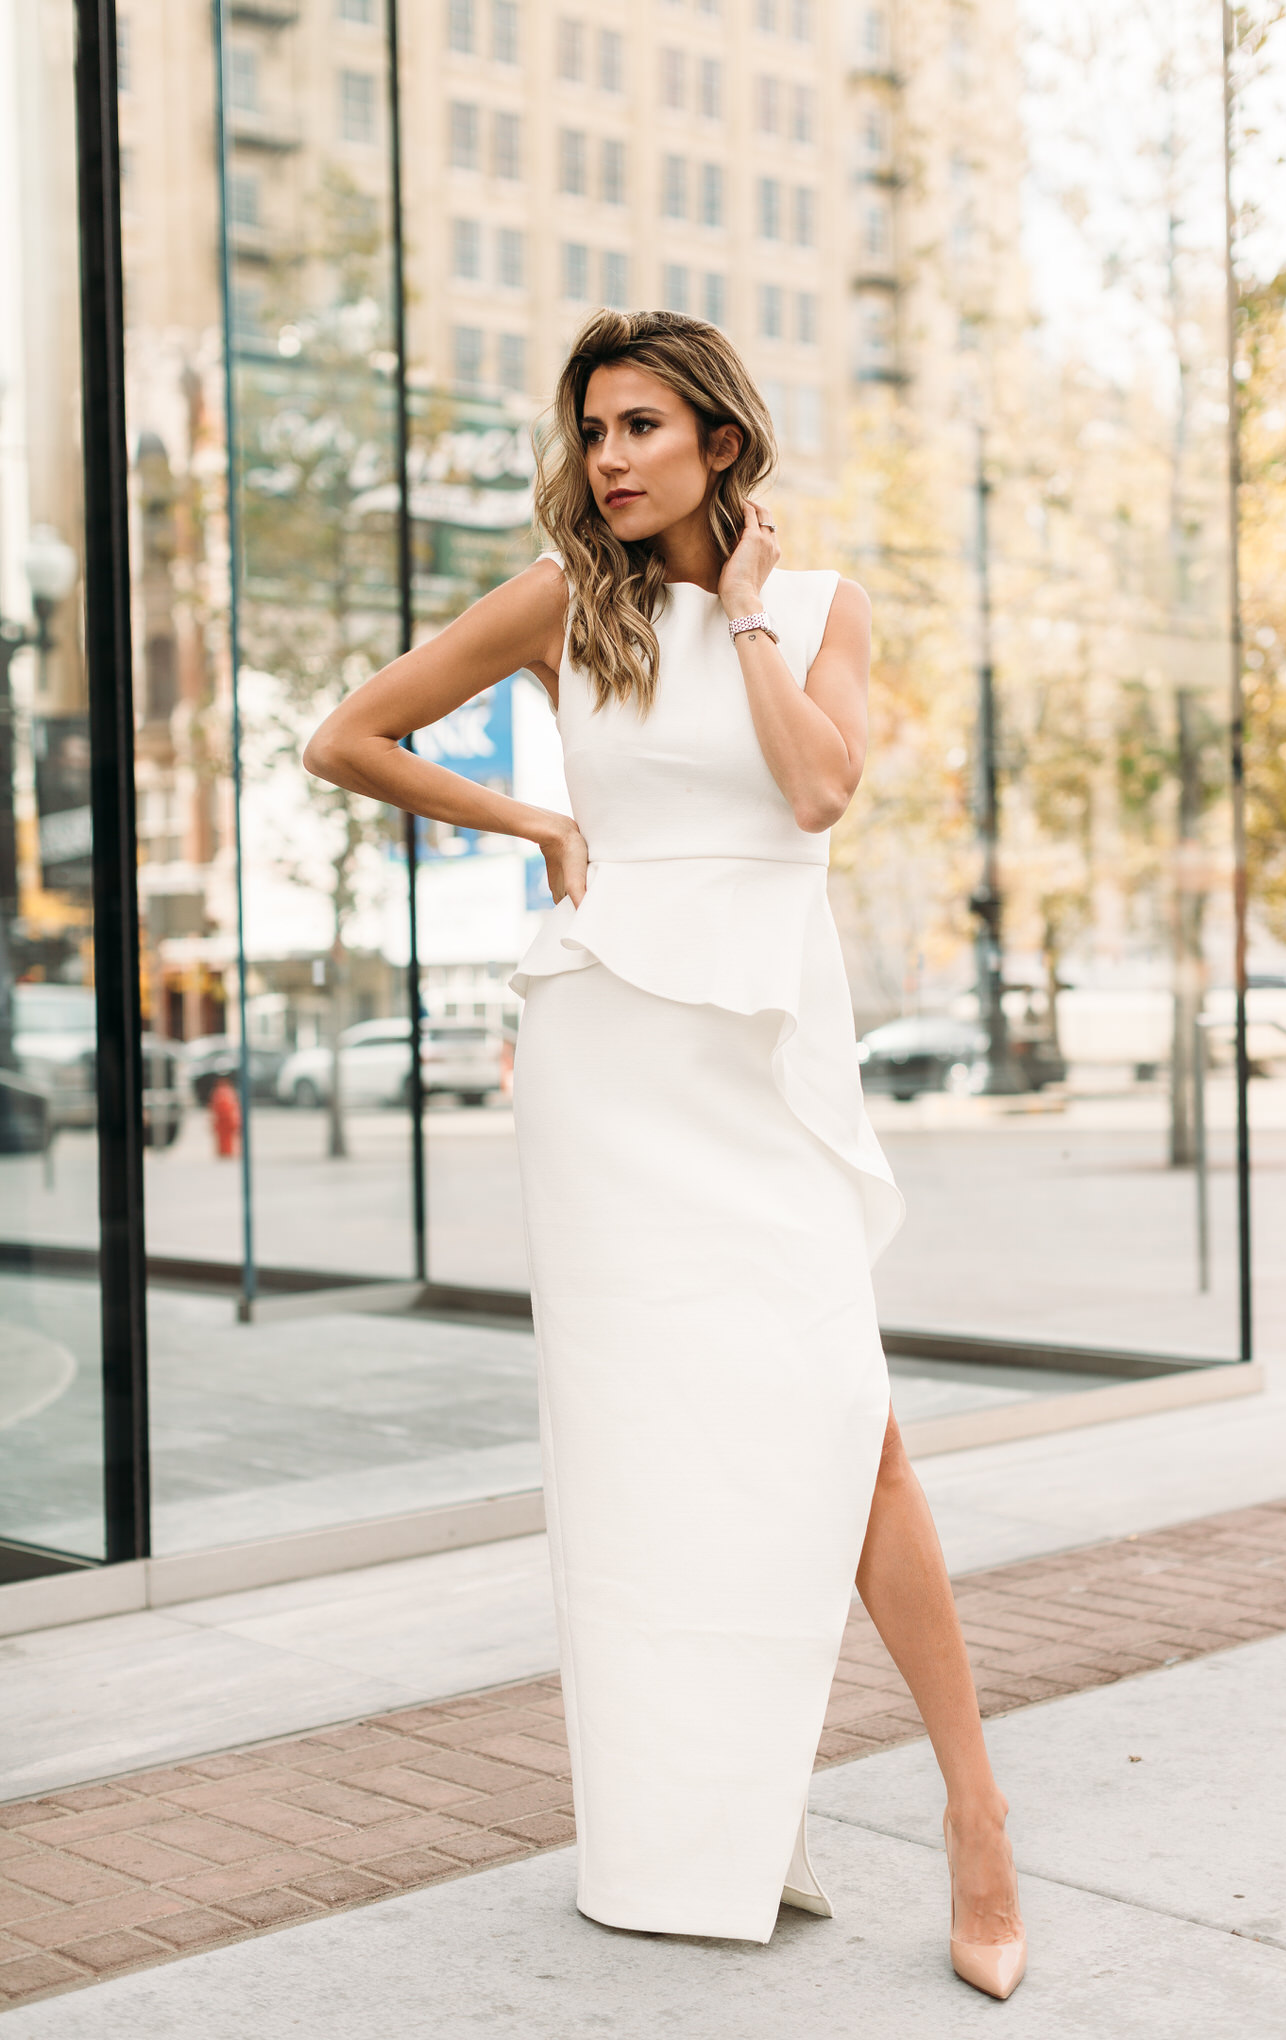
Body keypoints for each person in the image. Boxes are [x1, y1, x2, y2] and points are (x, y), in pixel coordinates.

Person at [304, 309, 1026, 2000]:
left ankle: (976, 1814)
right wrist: (536, 819)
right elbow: (347, 738)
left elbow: (817, 794)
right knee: (641, 1453)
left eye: (640, 424)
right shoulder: (564, 605)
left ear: (720, 439)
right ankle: (679, 1833)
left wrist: (752, 613)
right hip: (609, 1060)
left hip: (759, 1056)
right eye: (592, 428)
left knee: (852, 1429)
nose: (610, 456)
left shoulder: (823, 608)